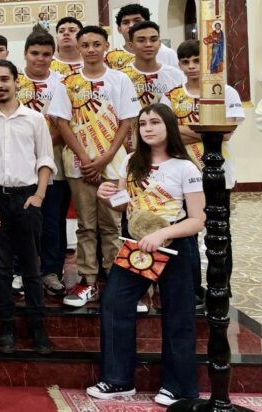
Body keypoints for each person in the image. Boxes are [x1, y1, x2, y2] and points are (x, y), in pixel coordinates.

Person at [89, 103, 204, 405]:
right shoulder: (130, 162)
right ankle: (117, 379)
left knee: (178, 315)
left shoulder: (185, 167)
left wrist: (163, 234)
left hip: (175, 246)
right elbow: (125, 205)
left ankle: (177, 387)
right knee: (114, 303)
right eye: (142, 124)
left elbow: (197, 219)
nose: (148, 128)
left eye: (155, 122)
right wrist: (107, 197)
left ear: (168, 127)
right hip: (137, 247)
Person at [48, 26, 140, 308]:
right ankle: (88, 281)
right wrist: (86, 160)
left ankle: (114, 279)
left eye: (96, 44)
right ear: (78, 47)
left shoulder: (120, 79)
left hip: (113, 165)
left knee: (111, 225)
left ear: (106, 46)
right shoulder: (68, 82)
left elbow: (127, 120)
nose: (90, 49)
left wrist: (105, 158)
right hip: (78, 165)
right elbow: (62, 122)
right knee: (86, 226)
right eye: (85, 44)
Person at [0, 59, 55, 355]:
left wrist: (39, 197)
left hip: (28, 197)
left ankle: (37, 325)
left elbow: (45, 160)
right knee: (0, 268)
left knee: (32, 267)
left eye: (4, 79)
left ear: (15, 81)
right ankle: (7, 324)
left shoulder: (34, 119)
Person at [161, 39, 243, 302]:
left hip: (218, 170)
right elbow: (168, 134)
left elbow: (226, 132)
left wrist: (186, 130)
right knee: (188, 231)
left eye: (197, 60)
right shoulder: (172, 95)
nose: (192, 66)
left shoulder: (224, 91)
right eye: (186, 61)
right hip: (183, 174)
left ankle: (222, 284)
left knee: (220, 230)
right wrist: (208, 130)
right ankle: (192, 288)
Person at [16, 32, 70, 297]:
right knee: (19, 221)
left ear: (53, 55)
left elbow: (65, 124)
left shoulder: (62, 82)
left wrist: (42, 144)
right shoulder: (12, 80)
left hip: (54, 161)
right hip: (18, 164)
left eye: (47, 54)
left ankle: (51, 271)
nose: (40, 59)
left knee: (52, 222)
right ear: (25, 53)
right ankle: (19, 271)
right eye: (35, 53)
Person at [120, 21, 185, 108]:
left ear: (159, 43)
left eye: (153, 40)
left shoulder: (176, 76)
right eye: (141, 40)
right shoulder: (121, 77)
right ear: (131, 46)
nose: (148, 44)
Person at [106, 4, 179, 70]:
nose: (131, 25)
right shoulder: (111, 58)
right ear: (119, 29)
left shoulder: (167, 54)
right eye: (126, 22)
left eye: (137, 21)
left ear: (147, 23)